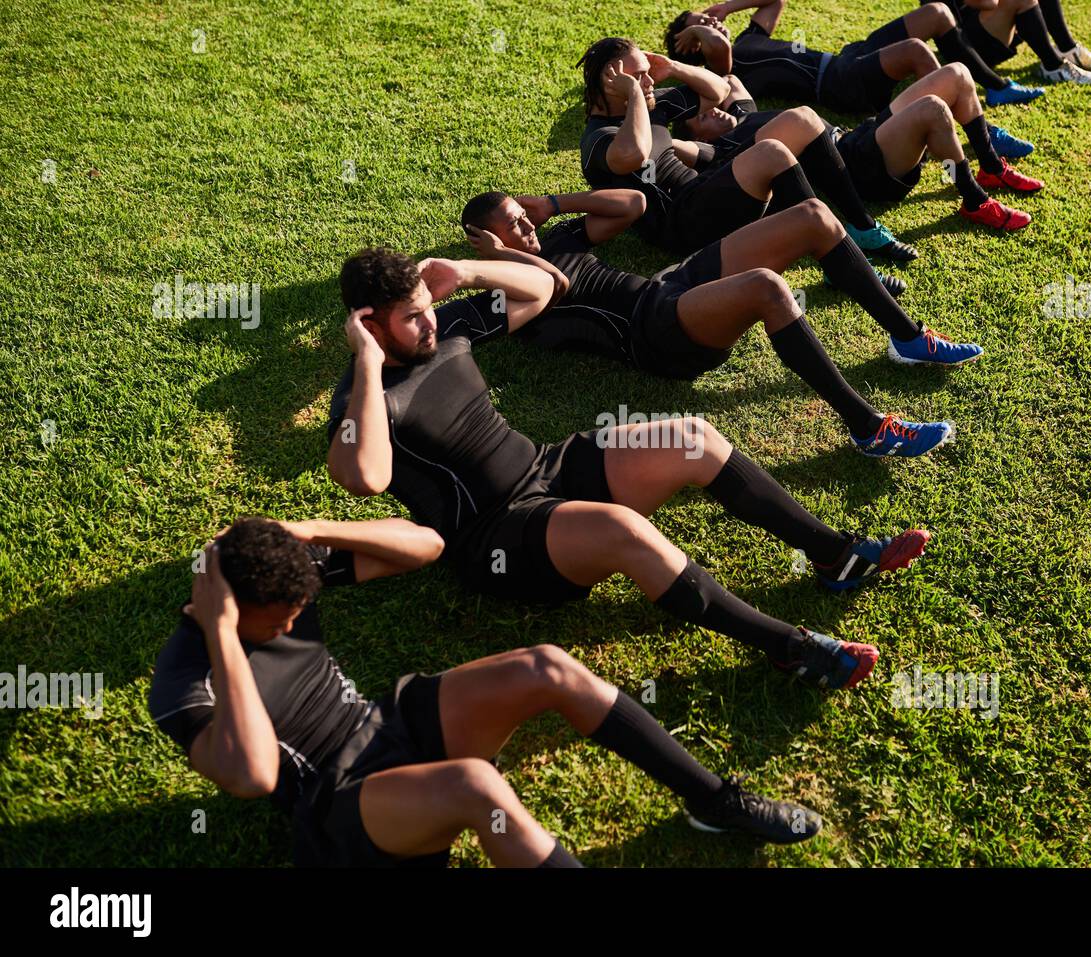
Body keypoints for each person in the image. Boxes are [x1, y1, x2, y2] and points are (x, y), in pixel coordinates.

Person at [326, 248, 935, 691]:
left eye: (427, 307)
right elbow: (366, 477)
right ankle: (790, 649)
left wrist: (464, 273)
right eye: (411, 317)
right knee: (623, 531)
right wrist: (371, 367)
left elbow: (544, 291)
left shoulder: (445, 328)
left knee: (691, 439)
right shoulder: (363, 400)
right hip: (497, 536)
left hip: (548, 468)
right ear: (370, 325)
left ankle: (835, 555)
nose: (430, 320)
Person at [149, 518, 825, 867]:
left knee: (548, 667)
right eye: (281, 617)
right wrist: (224, 636)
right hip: (338, 806)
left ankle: (714, 800)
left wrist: (311, 534)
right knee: (477, 786)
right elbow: (253, 772)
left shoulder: (280, 583)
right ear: (229, 605)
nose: (296, 623)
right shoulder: (182, 681)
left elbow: (427, 543)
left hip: (385, 723)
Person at [459, 187, 956, 458]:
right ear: (486, 241)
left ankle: (907, 338)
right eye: (513, 223)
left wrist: (554, 205)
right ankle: (867, 427)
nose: (526, 226)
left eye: (522, 216)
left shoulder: (558, 240)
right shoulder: (507, 289)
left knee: (812, 214)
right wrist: (502, 255)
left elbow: (634, 204)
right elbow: (556, 287)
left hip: (669, 287)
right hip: (653, 334)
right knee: (766, 287)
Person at [574, 36, 913, 288]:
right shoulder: (598, 138)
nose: (648, 82)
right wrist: (634, 94)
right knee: (772, 153)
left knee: (803, 120)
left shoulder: (652, 106)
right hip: (682, 222)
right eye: (639, 76)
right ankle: (842, 265)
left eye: (648, 75)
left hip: (706, 186)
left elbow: (720, 90)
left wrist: (674, 68)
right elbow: (632, 153)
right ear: (611, 80)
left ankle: (862, 228)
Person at [677, 72, 1041, 230]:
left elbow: (728, 81)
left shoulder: (744, 113)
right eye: (699, 117)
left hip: (859, 136)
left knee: (958, 75)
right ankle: (974, 200)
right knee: (932, 108)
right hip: (861, 167)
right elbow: (666, 147)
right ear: (699, 138)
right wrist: (653, 108)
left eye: (706, 105)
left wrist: (675, 68)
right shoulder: (723, 149)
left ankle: (990, 166)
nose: (711, 109)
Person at [665, 0, 1047, 107]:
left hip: (847, 57)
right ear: (690, 44)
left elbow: (775, 0)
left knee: (937, 13)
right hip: (836, 83)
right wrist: (699, 28)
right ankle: (970, 117)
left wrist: (727, 8)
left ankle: (994, 87)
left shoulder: (746, 37)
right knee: (915, 51)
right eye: (703, 25)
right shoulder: (721, 69)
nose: (713, 24)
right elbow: (718, 50)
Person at [930, 0, 1091, 84]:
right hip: (967, 48)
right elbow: (987, 3)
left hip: (975, 29)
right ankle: (1053, 66)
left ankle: (1067, 49)